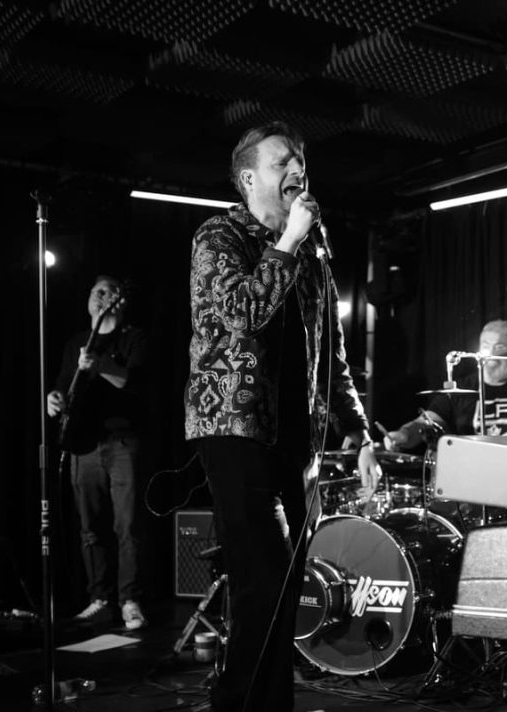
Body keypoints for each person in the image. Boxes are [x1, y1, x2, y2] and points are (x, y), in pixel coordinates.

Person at [184, 121, 381, 712]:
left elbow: (333, 356)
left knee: (286, 591)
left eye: (300, 161)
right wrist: (290, 240)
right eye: (281, 163)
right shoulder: (219, 236)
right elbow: (243, 313)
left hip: (297, 441)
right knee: (263, 582)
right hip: (236, 429)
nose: (297, 170)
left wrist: (360, 433)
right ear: (249, 178)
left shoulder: (313, 255)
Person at [46, 275, 148, 630]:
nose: (98, 296)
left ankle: (130, 600)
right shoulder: (76, 341)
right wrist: (53, 399)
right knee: (90, 528)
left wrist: (99, 364)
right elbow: (63, 386)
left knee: (127, 525)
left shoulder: (132, 338)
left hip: (121, 441)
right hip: (82, 443)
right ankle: (99, 599)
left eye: (105, 291)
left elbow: (132, 382)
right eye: (94, 291)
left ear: (119, 299)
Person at [386, 319, 507, 449]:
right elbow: (427, 422)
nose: (491, 354)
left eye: (500, 347)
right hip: (471, 469)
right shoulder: (462, 386)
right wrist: (404, 434)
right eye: (486, 346)